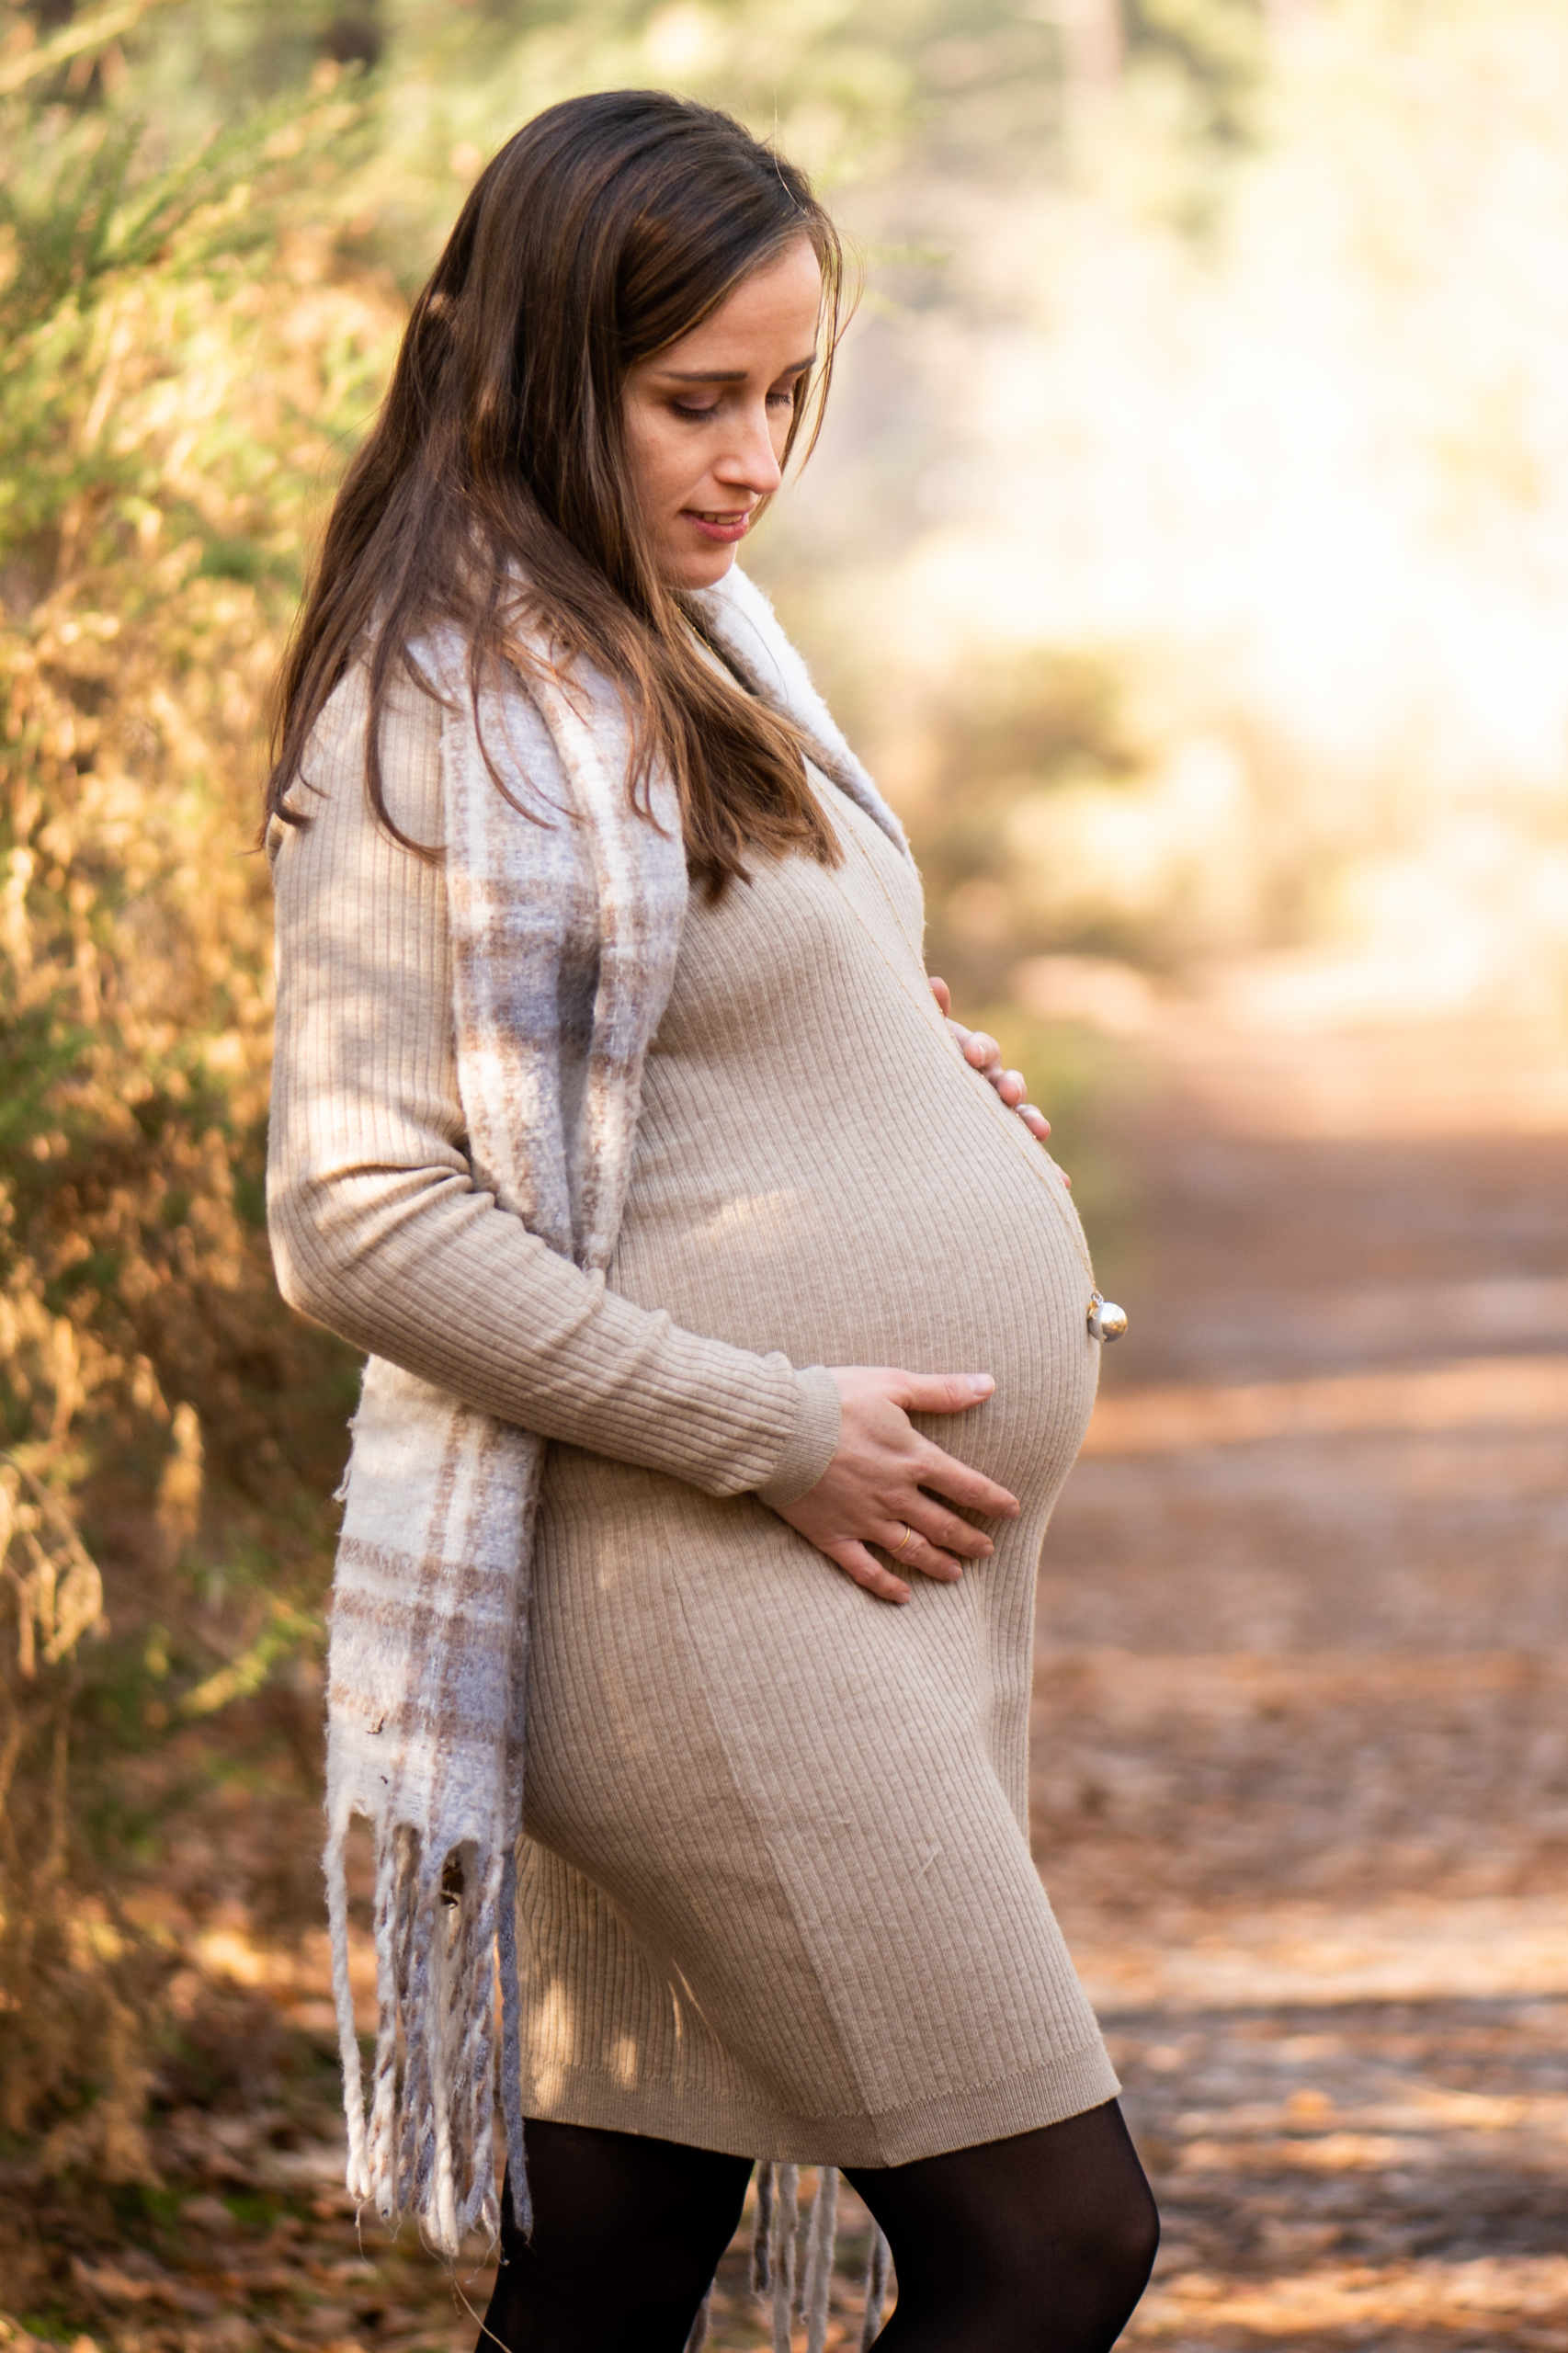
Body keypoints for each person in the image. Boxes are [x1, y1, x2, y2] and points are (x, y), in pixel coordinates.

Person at [265, 87, 1158, 2353]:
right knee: (1050, 2241)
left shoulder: (686, 638)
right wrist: (768, 1421)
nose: (752, 454)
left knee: (608, 2262)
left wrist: (910, 1072)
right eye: (694, 398)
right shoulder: (442, 703)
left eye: (784, 393)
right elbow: (357, 1210)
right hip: (696, 1581)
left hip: (813, 1579)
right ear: (528, 367)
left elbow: (695, 1018)